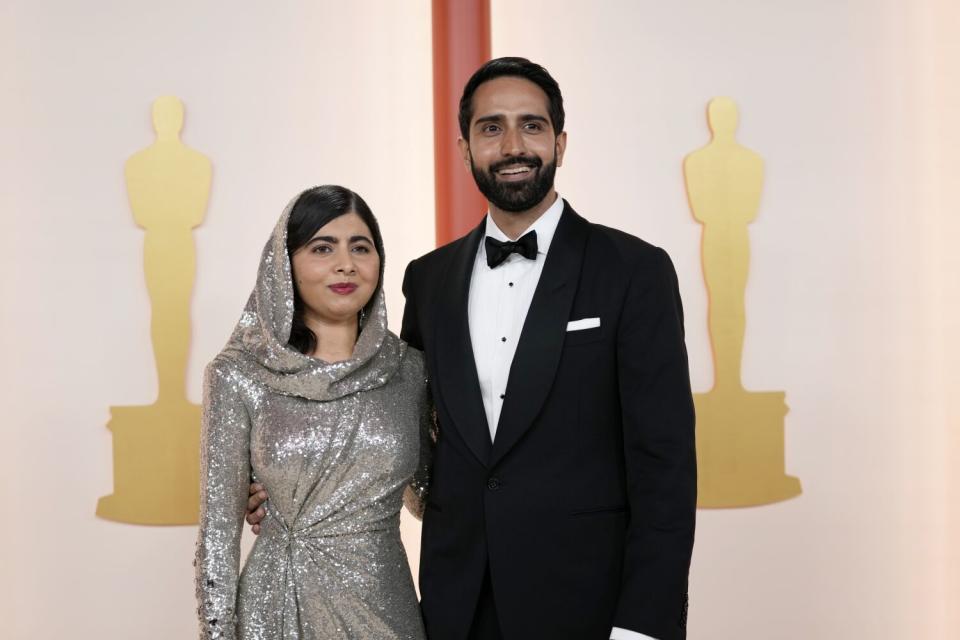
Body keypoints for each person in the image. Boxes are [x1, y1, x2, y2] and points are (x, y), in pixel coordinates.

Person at [250, 57, 696, 640]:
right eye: (491, 128)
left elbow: (665, 469)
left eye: (531, 126)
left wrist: (642, 627)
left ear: (560, 142)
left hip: (589, 606)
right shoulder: (427, 280)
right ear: (464, 149)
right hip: (455, 608)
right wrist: (290, 483)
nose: (513, 144)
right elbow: (398, 425)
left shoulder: (634, 270)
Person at [195, 185, 433, 640]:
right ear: (284, 266)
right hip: (276, 607)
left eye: (360, 247)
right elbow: (216, 539)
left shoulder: (408, 370)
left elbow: (426, 499)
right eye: (322, 248)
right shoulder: (238, 374)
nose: (345, 264)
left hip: (385, 606)